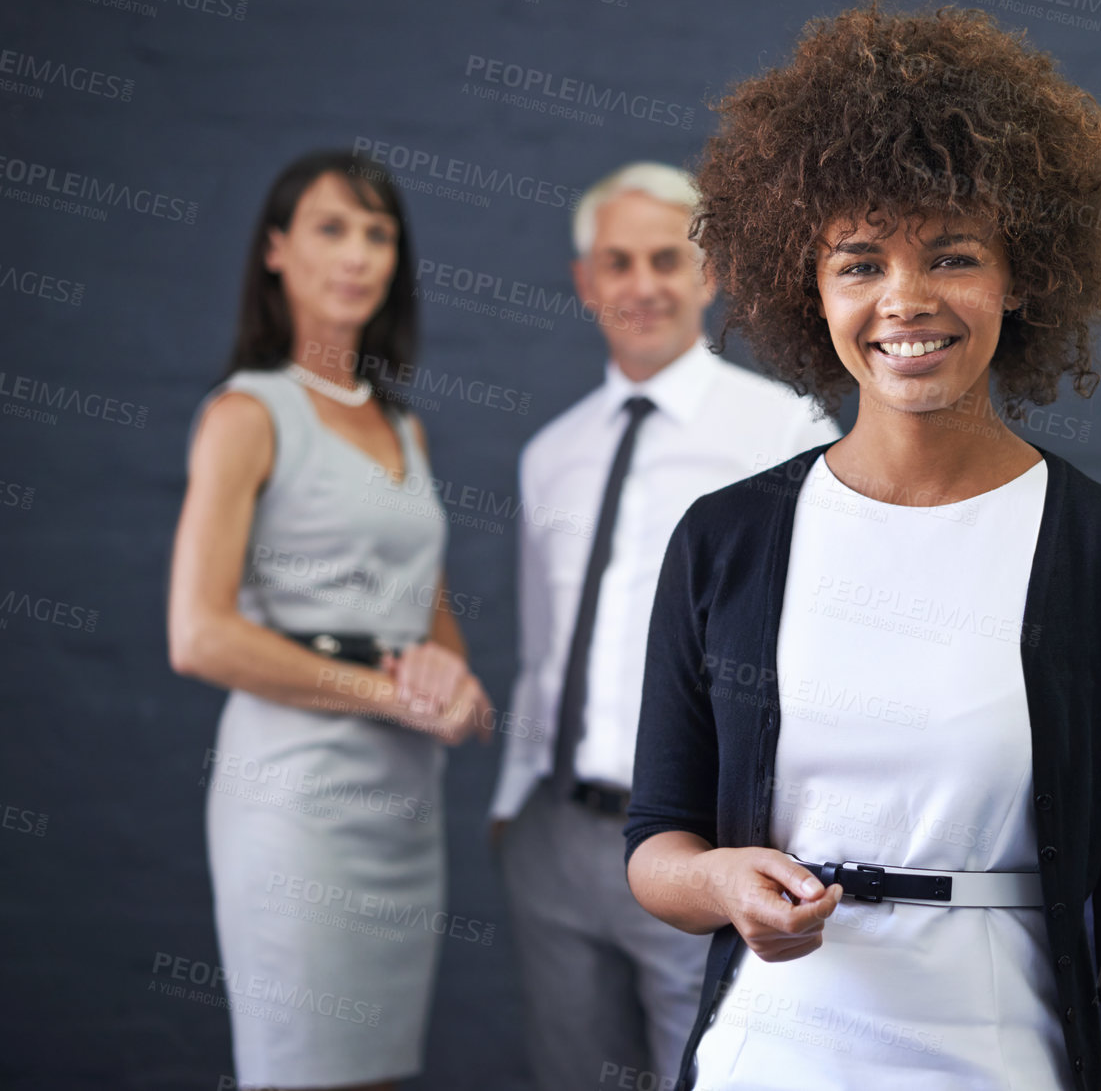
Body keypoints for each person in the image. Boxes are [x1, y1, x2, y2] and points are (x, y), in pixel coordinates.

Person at [623, 3, 1101, 1091]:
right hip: (769, 1057)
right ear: (810, 284)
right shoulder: (726, 542)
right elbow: (657, 842)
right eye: (858, 262)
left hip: (1000, 1059)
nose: (904, 301)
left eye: (951, 255)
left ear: (1020, 272)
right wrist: (721, 887)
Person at [488, 161, 837, 1091]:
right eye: (617, 262)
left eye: (664, 260)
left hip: (697, 840)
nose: (641, 285)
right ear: (586, 282)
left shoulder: (781, 430)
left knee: (711, 1073)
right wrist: (511, 798)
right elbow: (542, 640)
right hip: (556, 830)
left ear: (707, 274)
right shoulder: (549, 453)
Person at [168, 149, 495, 1091]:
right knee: (306, 1070)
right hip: (297, 797)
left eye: (377, 233)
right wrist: (387, 698)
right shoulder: (246, 413)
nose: (357, 254)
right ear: (275, 250)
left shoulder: (404, 429)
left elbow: (429, 622)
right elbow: (198, 635)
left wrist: (453, 686)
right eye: (330, 228)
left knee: (380, 1070)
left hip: (402, 797)